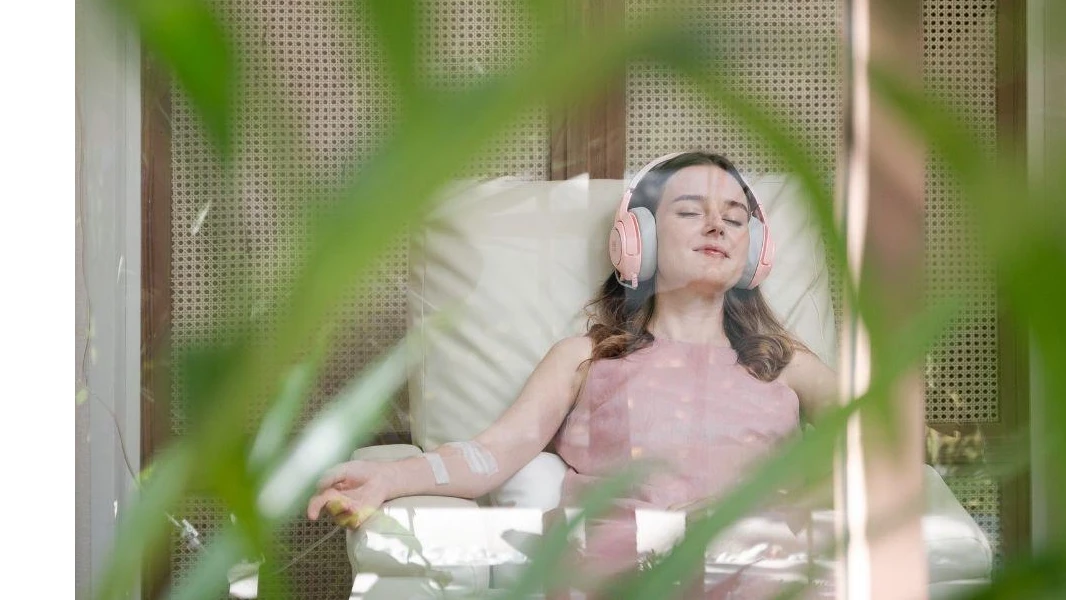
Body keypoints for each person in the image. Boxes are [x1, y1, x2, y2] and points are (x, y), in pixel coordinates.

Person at [306, 151, 838, 593]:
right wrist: (390, 477)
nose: (717, 225)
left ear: (755, 253)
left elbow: (880, 444)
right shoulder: (588, 359)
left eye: (736, 217)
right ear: (639, 239)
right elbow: (491, 452)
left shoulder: (785, 365)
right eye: (690, 211)